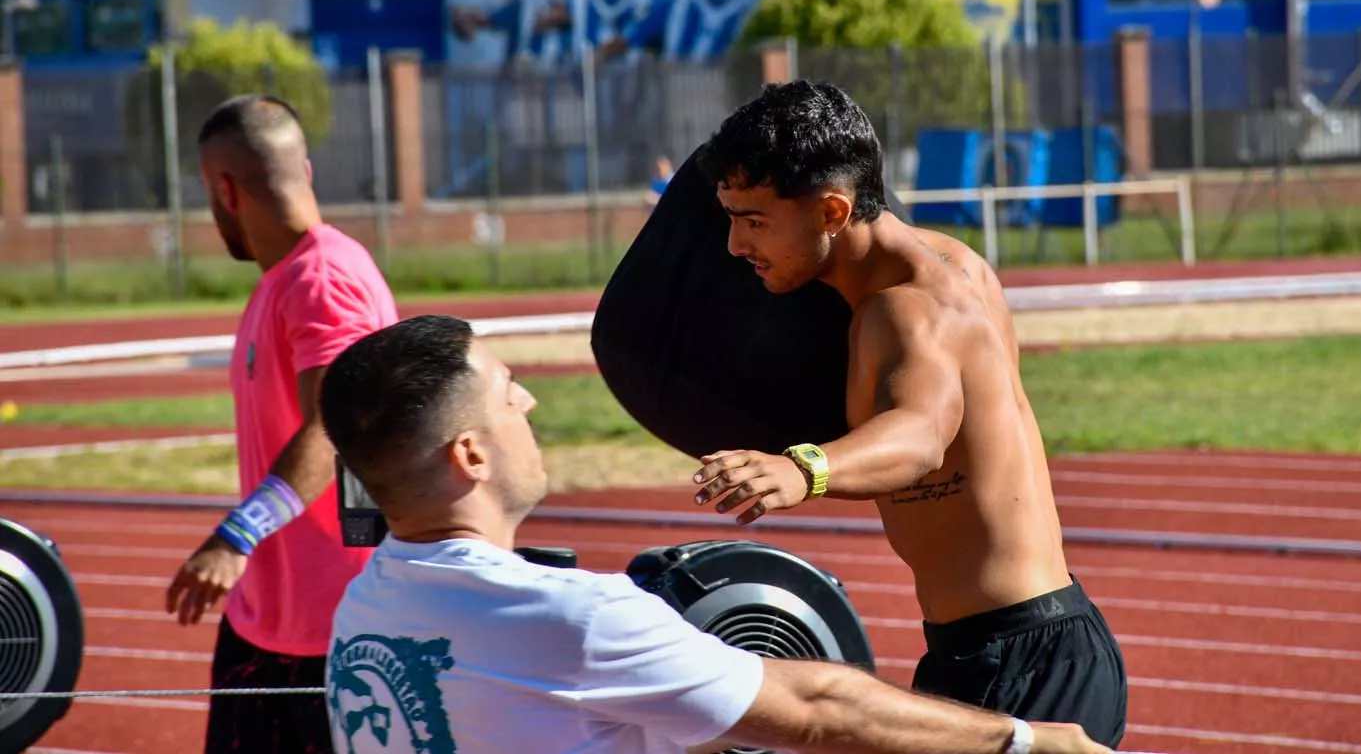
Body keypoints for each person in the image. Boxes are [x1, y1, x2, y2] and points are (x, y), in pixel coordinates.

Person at [318, 313, 1113, 754]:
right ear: (471, 454)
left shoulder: (363, 612)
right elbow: (815, 705)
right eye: (509, 393)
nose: (527, 407)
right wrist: (1028, 742)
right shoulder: (578, 618)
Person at [688, 80, 1129, 747]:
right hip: (1012, 644)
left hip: (1019, 661)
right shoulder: (955, 261)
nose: (733, 245)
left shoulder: (905, 309)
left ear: (833, 212)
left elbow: (922, 434)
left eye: (753, 221)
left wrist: (803, 469)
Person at [164, 94, 400, 754]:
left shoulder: (321, 278)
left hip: (328, 634)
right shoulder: (286, 277)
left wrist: (237, 536)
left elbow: (333, 426)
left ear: (224, 189)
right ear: (308, 171)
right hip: (267, 622)